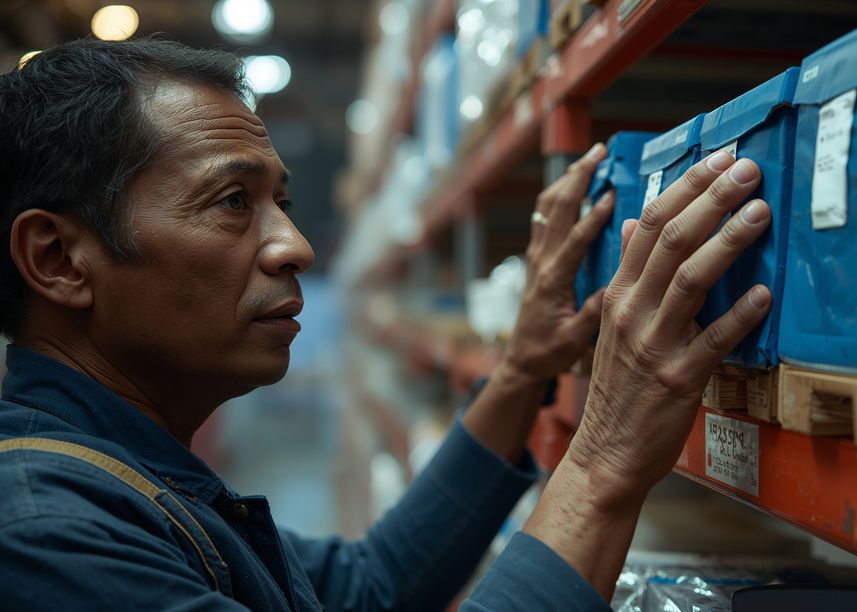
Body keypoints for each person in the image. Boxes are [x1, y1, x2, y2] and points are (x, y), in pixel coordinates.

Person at [0, 38, 772, 611]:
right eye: (233, 202)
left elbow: (371, 589)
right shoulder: (46, 540)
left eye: (283, 205)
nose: (295, 247)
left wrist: (523, 368)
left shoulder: (132, 482)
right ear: (59, 259)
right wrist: (604, 462)